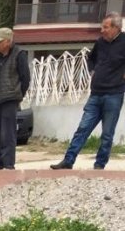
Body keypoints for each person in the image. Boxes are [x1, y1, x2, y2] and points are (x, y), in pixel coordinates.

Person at [50, 12, 125, 170]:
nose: (102, 30)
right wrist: (92, 70)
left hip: (114, 94)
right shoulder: (100, 42)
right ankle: (68, 160)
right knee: (83, 128)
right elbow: (91, 59)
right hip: (95, 94)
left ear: (116, 28)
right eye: (102, 27)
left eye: (106, 27)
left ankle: (99, 165)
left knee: (107, 134)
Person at [0, 27, 30, 170]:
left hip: (9, 100)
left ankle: (8, 164)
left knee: (7, 134)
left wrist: (17, 95)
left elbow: (25, 79)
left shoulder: (19, 54)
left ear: (8, 41)